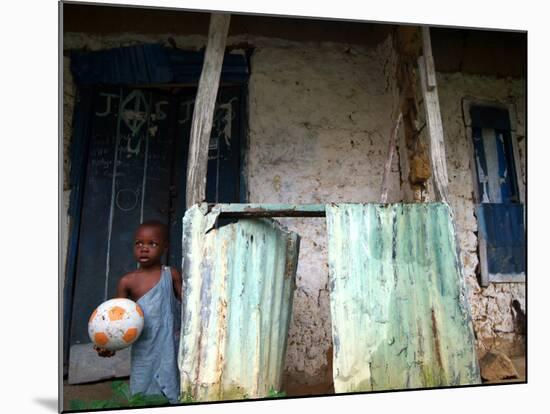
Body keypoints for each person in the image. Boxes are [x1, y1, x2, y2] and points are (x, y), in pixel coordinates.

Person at [95, 220, 183, 404]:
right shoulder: (127, 282)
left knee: (174, 387)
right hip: (144, 347)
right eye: (139, 243)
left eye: (152, 244)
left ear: (165, 247)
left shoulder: (171, 275)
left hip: (170, 344)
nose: (144, 248)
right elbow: (116, 321)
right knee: (142, 391)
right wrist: (109, 344)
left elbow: (190, 308)